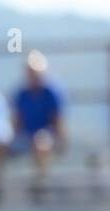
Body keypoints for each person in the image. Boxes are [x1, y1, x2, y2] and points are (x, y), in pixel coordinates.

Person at [10, 50, 66, 180]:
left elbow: (58, 121)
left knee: (41, 143)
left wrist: (62, 141)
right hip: (25, 135)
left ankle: (40, 182)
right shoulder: (21, 94)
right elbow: (17, 120)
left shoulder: (51, 93)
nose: (32, 75)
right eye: (30, 71)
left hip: (47, 135)